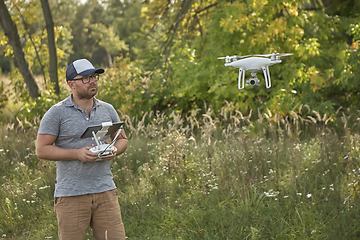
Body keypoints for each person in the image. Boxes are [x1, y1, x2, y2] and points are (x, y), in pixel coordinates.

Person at [36, 59, 127, 240]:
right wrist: (76, 154)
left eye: (93, 77)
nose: (92, 81)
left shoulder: (107, 110)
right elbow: (42, 150)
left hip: (105, 191)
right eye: (85, 78)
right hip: (71, 195)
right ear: (71, 84)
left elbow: (122, 139)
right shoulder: (57, 113)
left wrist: (114, 150)